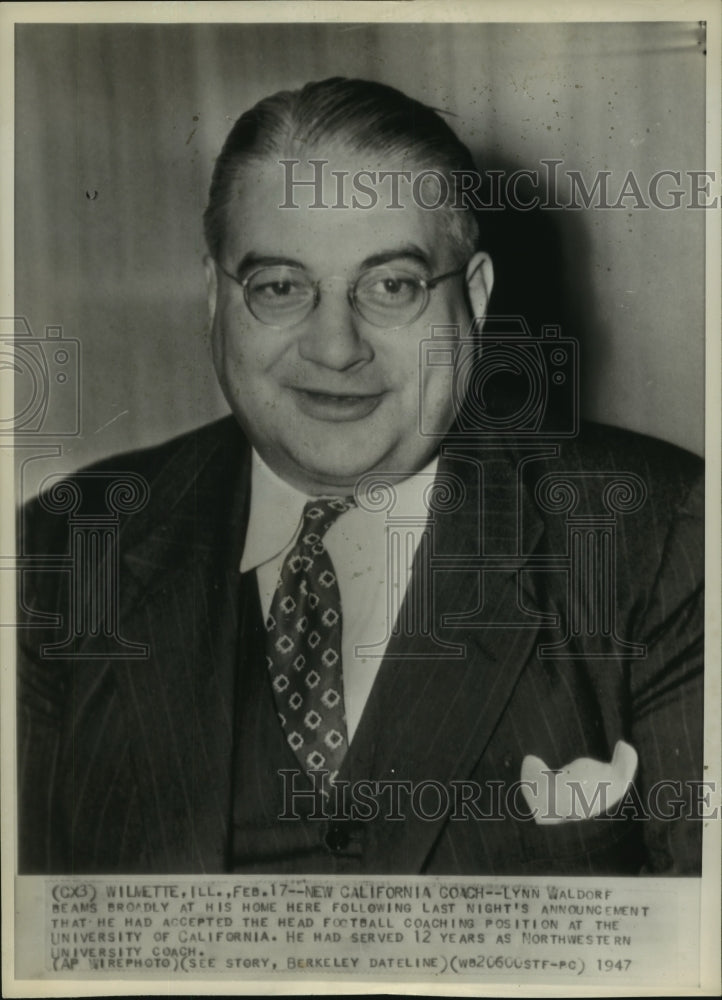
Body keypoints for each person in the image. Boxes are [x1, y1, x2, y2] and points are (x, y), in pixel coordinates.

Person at [17, 77, 704, 876]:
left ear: (474, 299)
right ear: (214, 297)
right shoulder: (65, 552)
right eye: (280, 287)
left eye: (392, 287)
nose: (336, 347)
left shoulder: (659, 536)